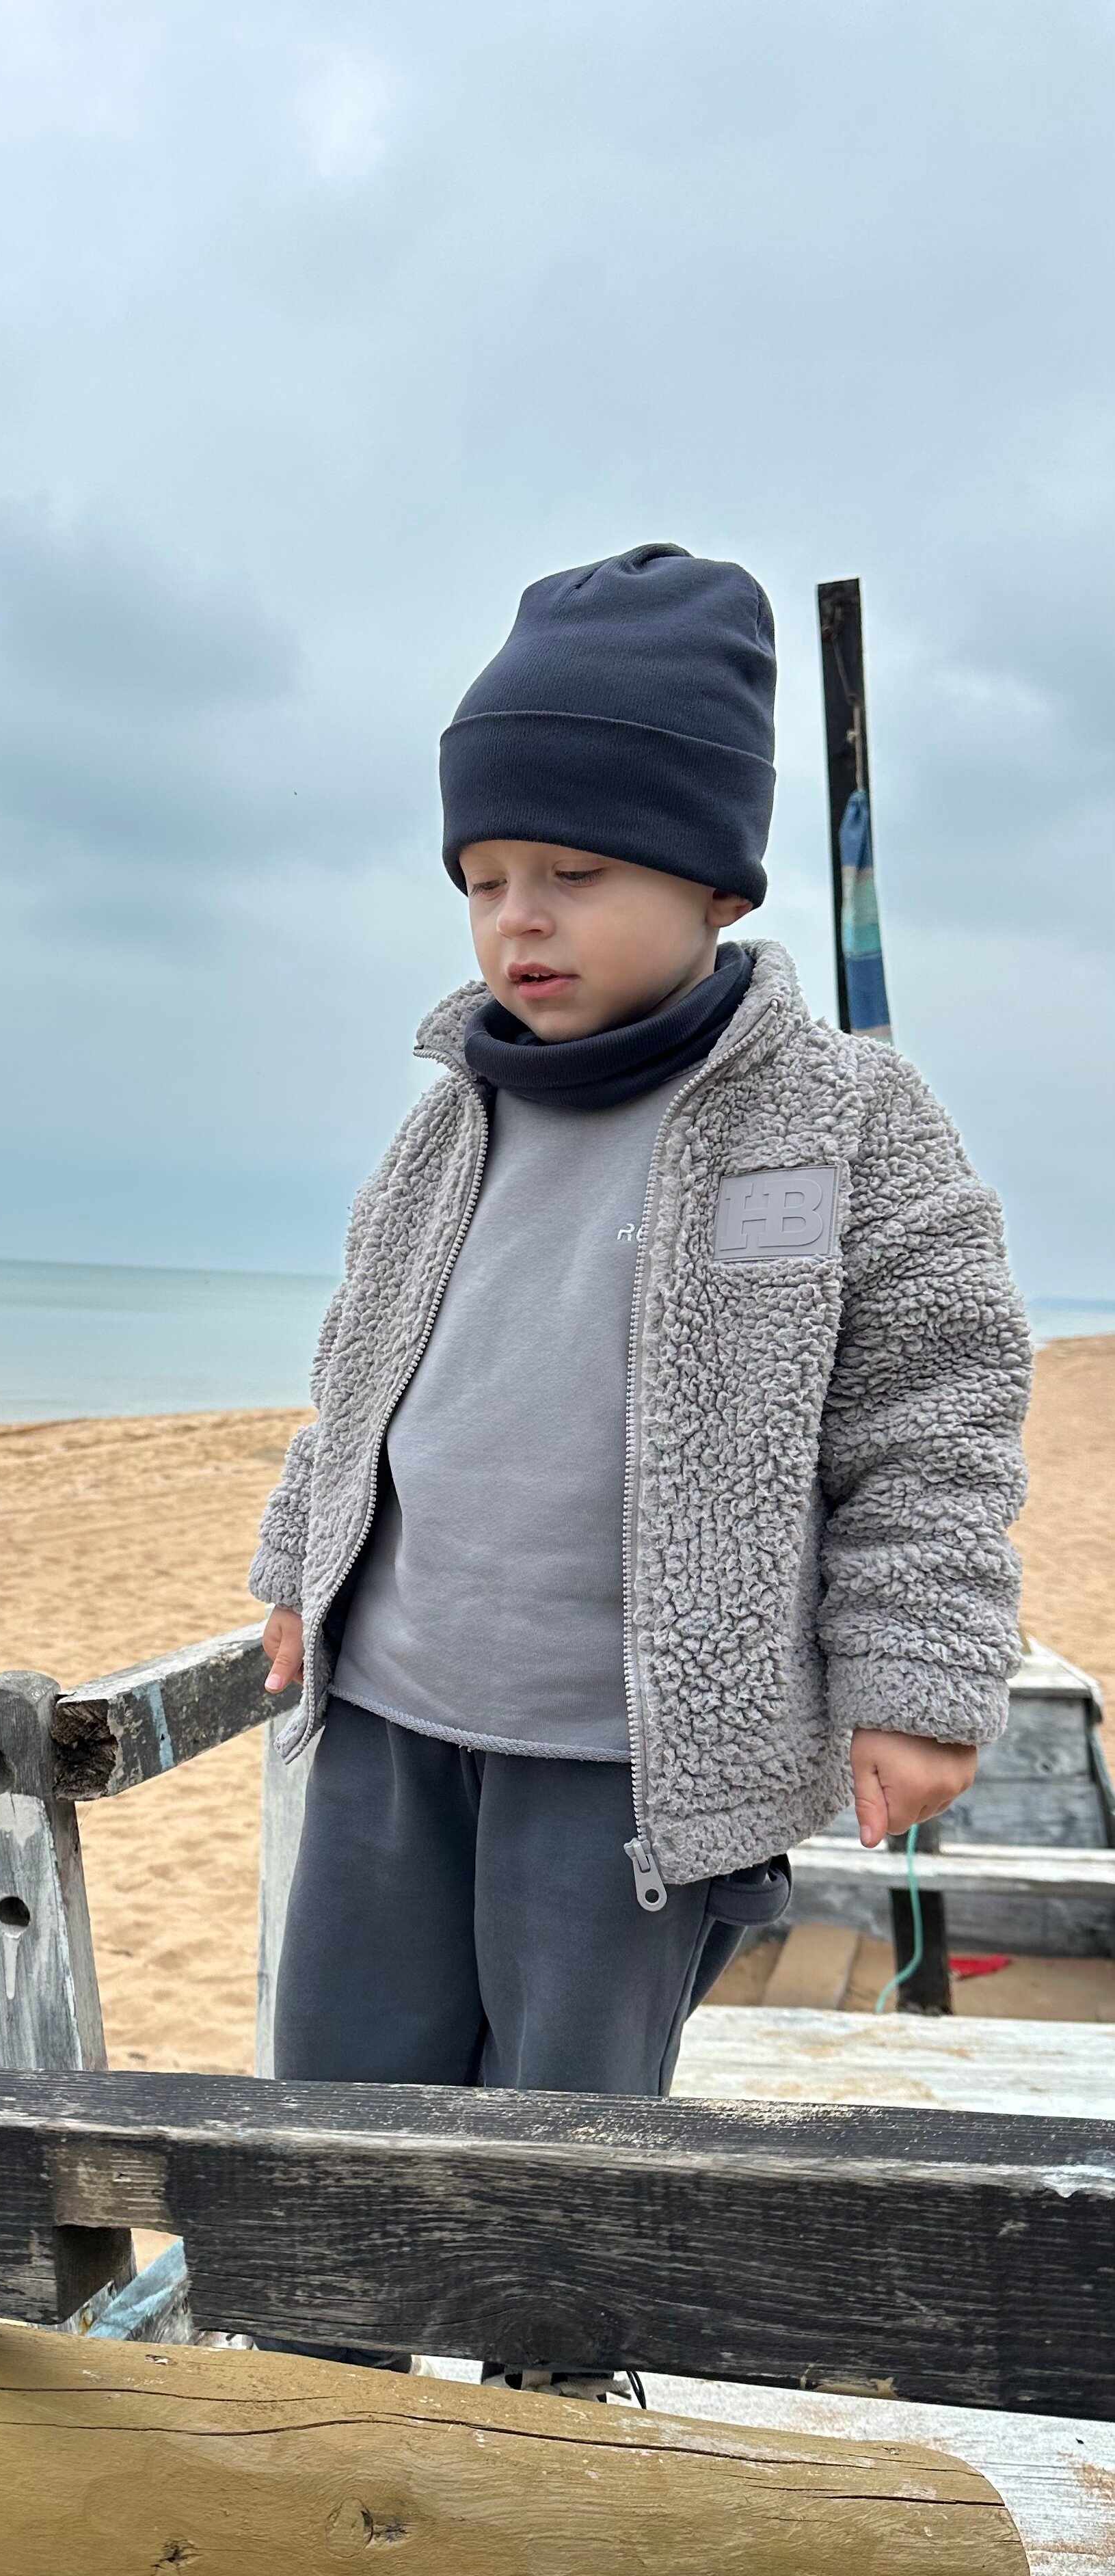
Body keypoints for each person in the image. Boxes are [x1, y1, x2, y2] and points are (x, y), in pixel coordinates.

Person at [251, 541, 1030, 2179]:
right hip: (390, 1706)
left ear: (717, 887)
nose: (519, 920)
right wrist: (297, 1569)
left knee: (569, 2139)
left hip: (625, 1759)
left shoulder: (845, 1119)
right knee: (337, 2110)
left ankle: (548, 2346)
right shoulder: (449, 1119)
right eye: (483, 881)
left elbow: (937, 1413)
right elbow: (360, 1369)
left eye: (576, 872)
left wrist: (911, 1686)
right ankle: (336, 2333)